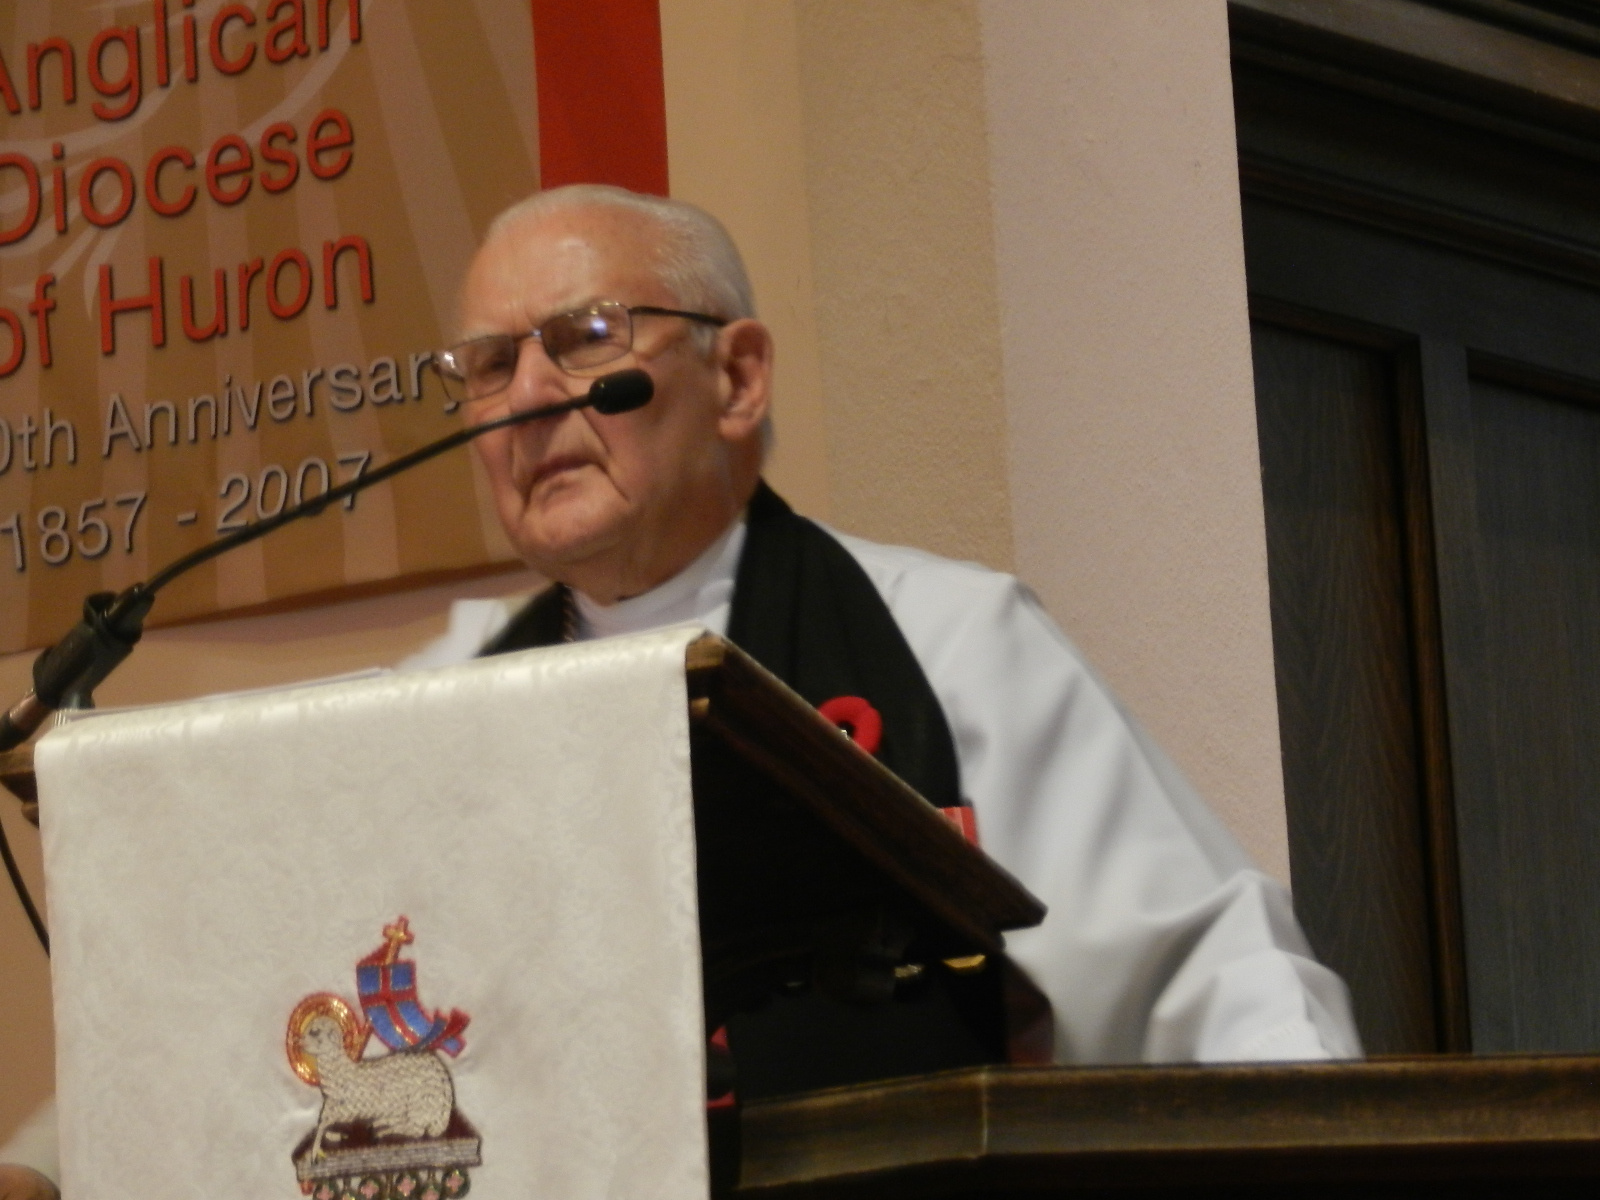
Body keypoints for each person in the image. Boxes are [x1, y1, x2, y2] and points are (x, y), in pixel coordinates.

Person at [0, 182, 1360, 1191]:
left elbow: (1211, 972)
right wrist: (52, 1166)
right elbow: (251, 986)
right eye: (486, 368)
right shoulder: (437, 702)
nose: (528, 399)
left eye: (584, 337)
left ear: (739, 375)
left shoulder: (950, 639)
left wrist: (1331, 1161)